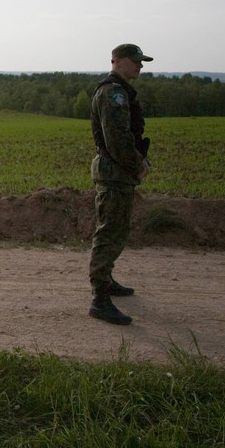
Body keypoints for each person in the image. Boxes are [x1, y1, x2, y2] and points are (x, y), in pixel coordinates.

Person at [88, 43, 153, 325]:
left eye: (142, 61)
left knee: (117, 230)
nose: (140, 65)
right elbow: (117, 139)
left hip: (118, 173)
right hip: (116, 172)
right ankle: (100, 299)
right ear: (117, 61)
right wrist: (138, 165)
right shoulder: (112, 93)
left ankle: (108, 280)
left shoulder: (120, 91)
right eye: (136, 60)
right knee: (109, 233)